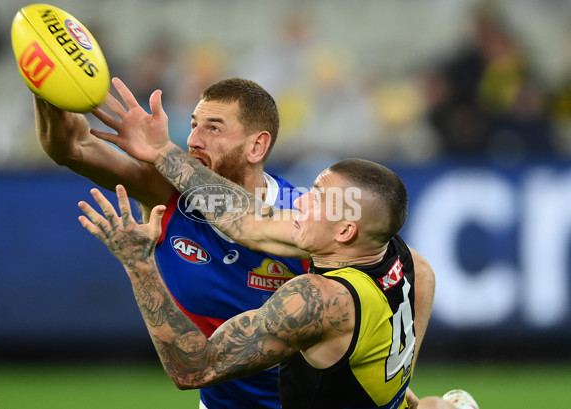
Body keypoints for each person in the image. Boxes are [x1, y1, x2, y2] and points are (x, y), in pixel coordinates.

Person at [82, 78, 479, 409]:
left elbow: (192, 369)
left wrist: (138, 264)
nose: (301, 199)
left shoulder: (316, 301)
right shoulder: (413, 267)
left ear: (344, 232)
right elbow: (247, 221)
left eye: (318, 198)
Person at [34, 77, 309, 409]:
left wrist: (163, 150)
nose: (193, 140)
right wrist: (47, 80)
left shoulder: (307, 218)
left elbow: (249, 224)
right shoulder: (168, 195)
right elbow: (73, 147)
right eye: (193, 126)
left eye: (214, 129)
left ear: (256, 146)